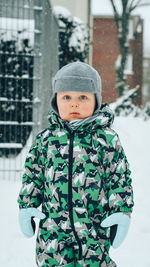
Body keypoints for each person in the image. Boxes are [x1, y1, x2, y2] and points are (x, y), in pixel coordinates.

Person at [17, 62, 134, 267]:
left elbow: (119, 177)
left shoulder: (106, 139)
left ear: (95, 101)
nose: (74, 104)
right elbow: (33, 175)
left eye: (83, 97)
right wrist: (27, 205)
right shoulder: (45, 139)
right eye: (66, 97)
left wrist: (121, 211)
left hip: (93, 228)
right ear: (56, 101)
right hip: (52, 231)